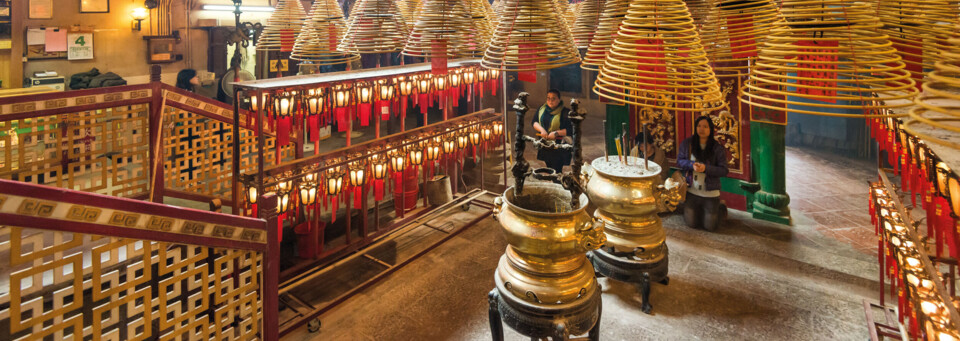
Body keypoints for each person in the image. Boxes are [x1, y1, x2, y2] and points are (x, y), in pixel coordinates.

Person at [677, 115, 729, 231]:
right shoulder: (687, 143)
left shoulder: (717, 148)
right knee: (691, 224)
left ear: (710, 129)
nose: (701, 129)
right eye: (699, 126)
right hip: (692, 190)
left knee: (710, 227)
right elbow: (680, 161)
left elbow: (724, 170)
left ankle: (720, 207)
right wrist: (691, 165)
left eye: (705, 126)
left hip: (710, 192)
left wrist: (706, 168)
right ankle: (699, 211)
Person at [532, 89, 573, 173]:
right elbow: (534, 122)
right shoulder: (542, 109)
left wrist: (556, 133)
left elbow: (571, 129)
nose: (550, 101)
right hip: (546, 145)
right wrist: (542, 130)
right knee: (550, 169)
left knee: (557, 170)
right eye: (548, 98)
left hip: (558, 147)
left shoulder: (565, 112)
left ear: (559, 100)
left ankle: (558, 184)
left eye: (553, 98)